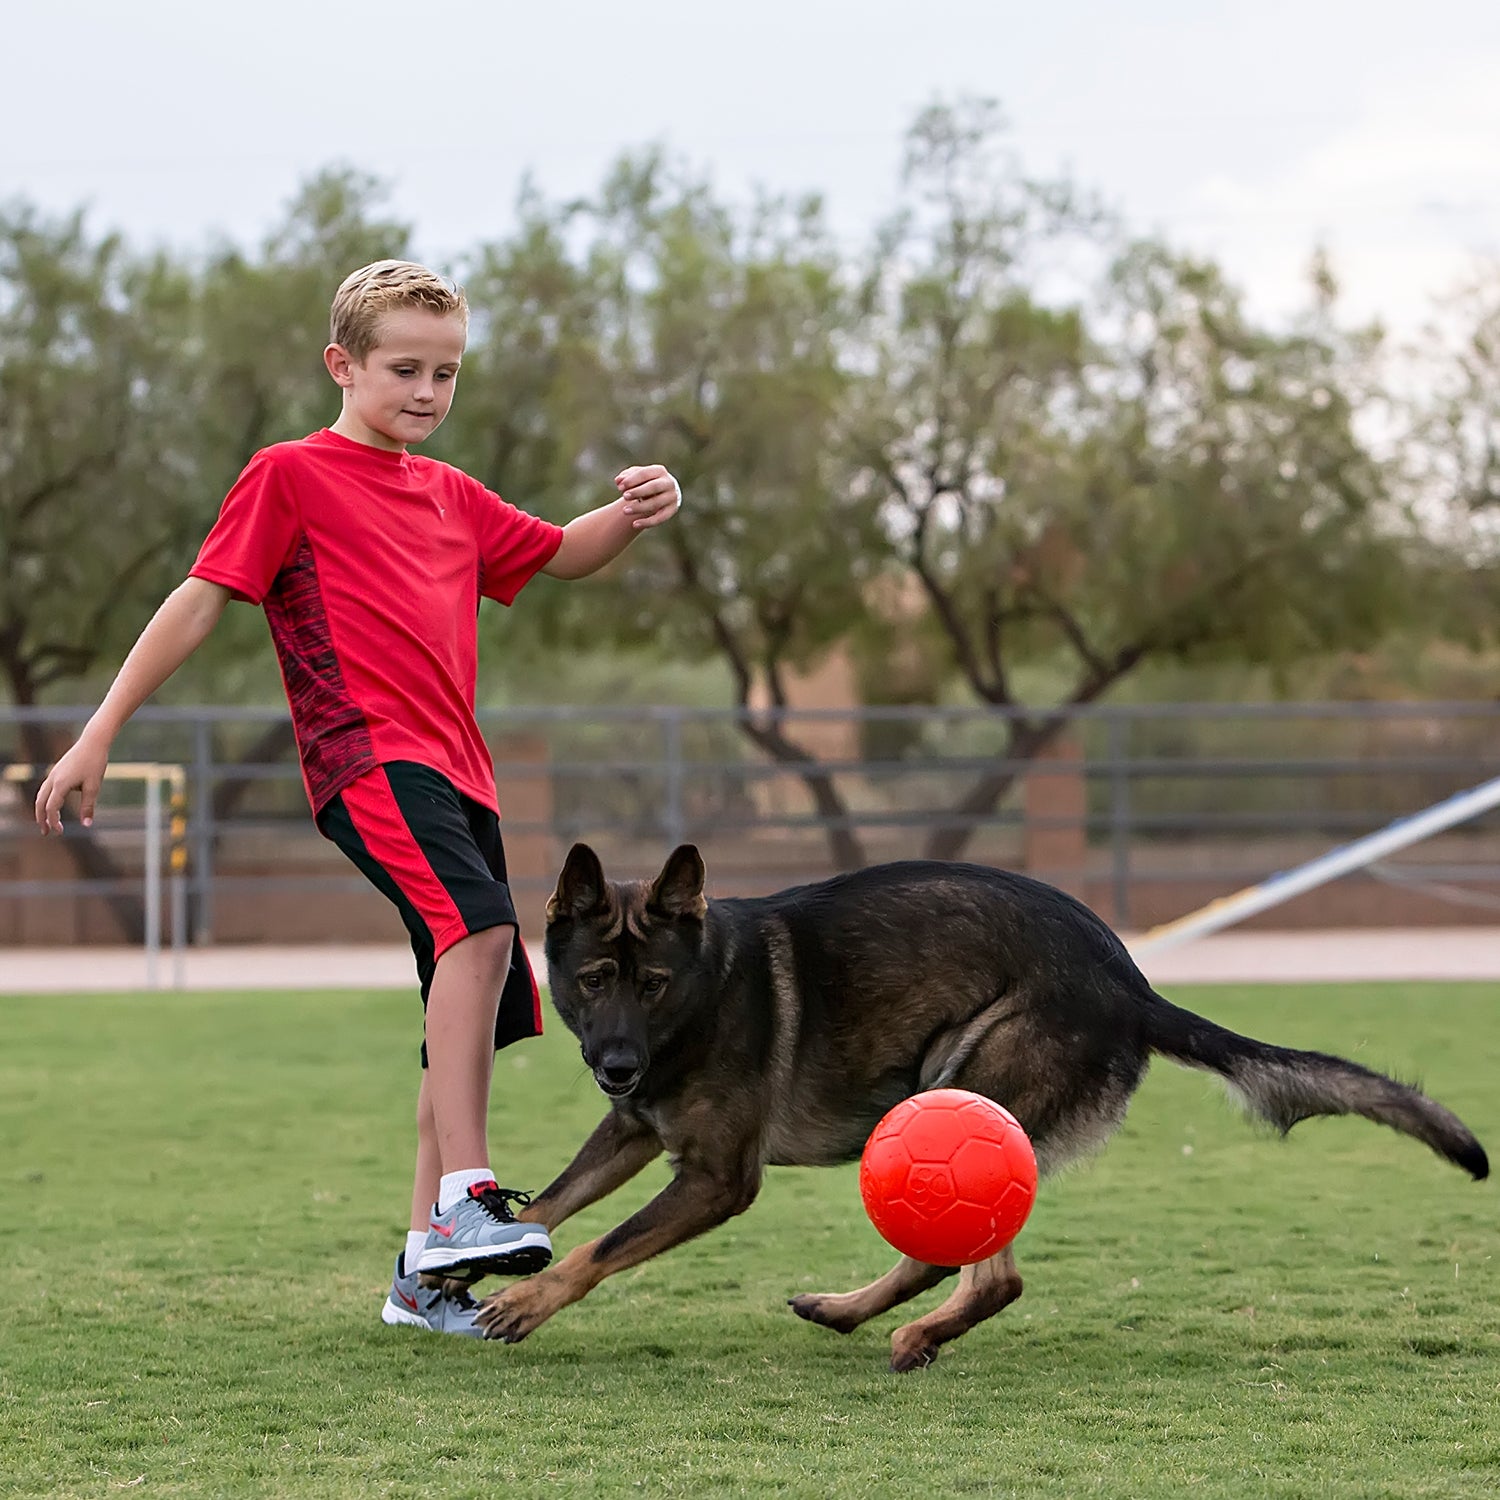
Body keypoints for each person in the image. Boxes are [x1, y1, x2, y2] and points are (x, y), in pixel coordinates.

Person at [33, 258, 682, 1338]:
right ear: (343, 364)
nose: (428, 392)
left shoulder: (453, 493)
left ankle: (423, 1282)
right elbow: (199, 603)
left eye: (448, 373)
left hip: (461, 773)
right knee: (479, 936)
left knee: (464, 991)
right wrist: (100, 730)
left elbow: (563, 555)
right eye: (405, 369)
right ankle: (467, 1201)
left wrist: (633, 511)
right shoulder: (289, 474)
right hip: (369, 761)